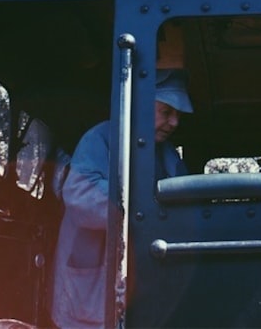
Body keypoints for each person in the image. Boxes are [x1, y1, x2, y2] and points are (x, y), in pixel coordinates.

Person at [51, 70, 193, 329]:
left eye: (178, 116)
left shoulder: (169, 155)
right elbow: (80, 195)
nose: (174, 123)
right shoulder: (101, 138)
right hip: (95, 284)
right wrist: (143, 204)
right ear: (143, 103)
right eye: (167, 112)